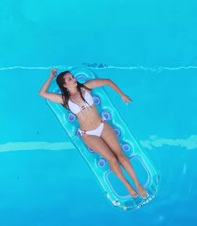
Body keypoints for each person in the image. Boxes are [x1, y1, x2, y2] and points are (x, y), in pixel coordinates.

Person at [38, 68, 148, 199]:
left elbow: (107, 81)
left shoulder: (86, 87)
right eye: (70, 79)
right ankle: (127, 185)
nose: (74, 79)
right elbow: (42, 93)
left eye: (73, 77)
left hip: (102, 125)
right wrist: (51, 76)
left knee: (120, 155)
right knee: (111, 159)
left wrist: (122, 94)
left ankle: (137, 183)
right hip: (88, 134)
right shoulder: (64, 99)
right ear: (64, 85)